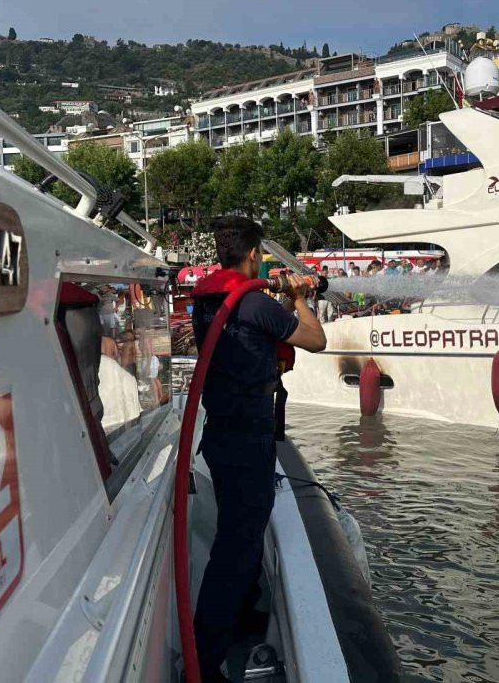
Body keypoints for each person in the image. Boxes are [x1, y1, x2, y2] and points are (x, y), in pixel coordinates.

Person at [191, 216, 326, 682]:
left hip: (220, 434)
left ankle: (243, 616)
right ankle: (206, 660)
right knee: (236, 546)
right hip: (247, 437)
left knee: (239, 532)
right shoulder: (252, 303)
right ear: (253, 255)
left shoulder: (209, 299)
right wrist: (301, 299)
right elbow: (316, 340)